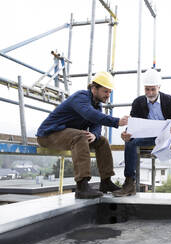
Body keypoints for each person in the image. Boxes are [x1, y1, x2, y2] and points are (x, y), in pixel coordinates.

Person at [36, 71, 129, 199]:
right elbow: (90, 114)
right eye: (105, 91)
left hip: (69, 135)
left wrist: (95, 135)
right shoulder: (80, 98)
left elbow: (96, 124)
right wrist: (116, 121)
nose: (108, 95)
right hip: (49, 135)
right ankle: (82, 186)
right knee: (80, 136)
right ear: (93, 88)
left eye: (109, 92)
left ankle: (106, 182)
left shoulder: (97, 105)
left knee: (102, 141)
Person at [113, 68, 171, 198]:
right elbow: (133, 124)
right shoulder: (138, 102)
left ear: (159, 87)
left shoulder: (169, 101)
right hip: (147, 137)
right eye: (147, 89)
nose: (150, 93)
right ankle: (129, 183)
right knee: (130, 143)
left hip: (167, 136)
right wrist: (126, 134)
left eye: (153, 89)